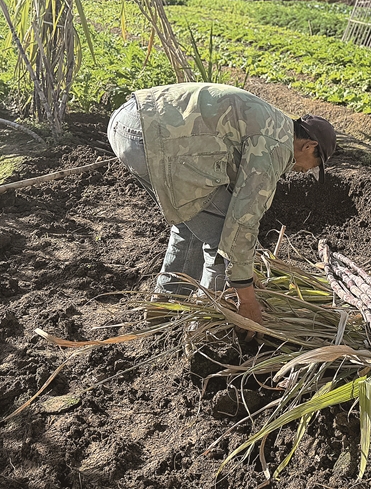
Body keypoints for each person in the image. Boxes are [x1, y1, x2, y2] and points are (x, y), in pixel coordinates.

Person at [106, 82, 336, 331]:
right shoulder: (275, 146)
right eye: (313, 165)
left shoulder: (274, 123)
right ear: (309, 146)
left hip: (129, 123)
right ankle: (201, 334)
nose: (305, 171)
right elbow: (241, 223)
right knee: (221, 241)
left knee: (192, 223)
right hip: (152, 137)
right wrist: (247, 298)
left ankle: (161, 311)